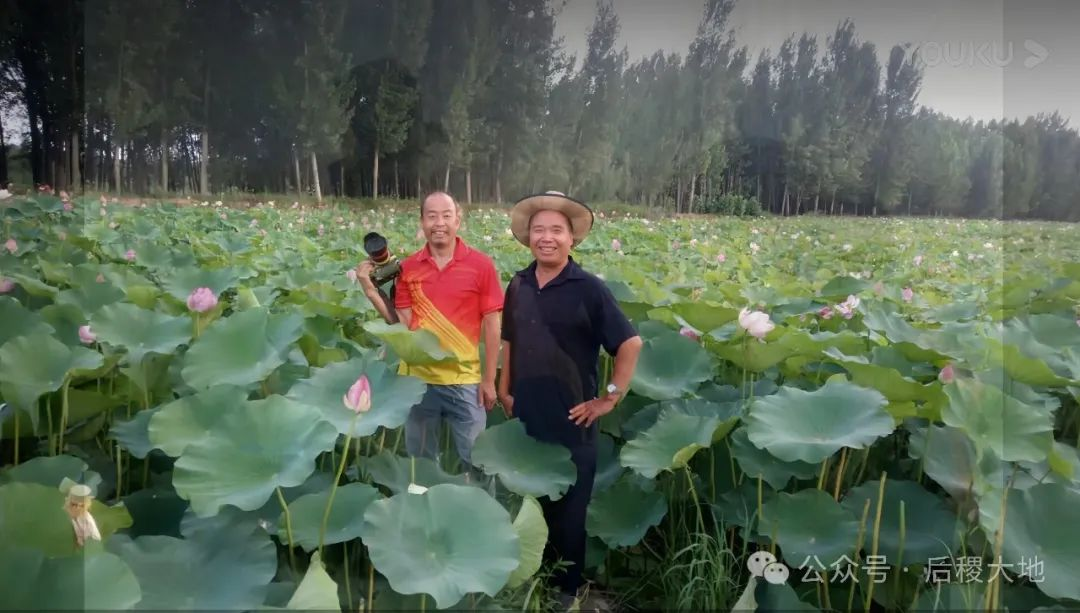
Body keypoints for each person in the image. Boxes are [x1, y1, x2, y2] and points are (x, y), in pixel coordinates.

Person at [497, 191, 643, 604]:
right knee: (531, 507)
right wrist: (505, 389)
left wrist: (609, 397)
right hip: (526, 414)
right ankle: (531, 583)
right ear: (528, 237)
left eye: (556, 230)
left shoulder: (589, 289)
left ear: (572, 238)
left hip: (574, 417)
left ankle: (566, 593)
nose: (547, 237)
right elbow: (510, 340)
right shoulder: (519, 283)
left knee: (569, 515)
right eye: (539, 229)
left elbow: (630, 344)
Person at [355, 191, 503, 472]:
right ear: (422, 222)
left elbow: (493, 323)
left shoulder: (481, 265)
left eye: (446, 215)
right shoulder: (408, 268)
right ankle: (423, 513)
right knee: (420, 466)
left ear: (458, 220)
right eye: (431, 216)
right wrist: (371, 290)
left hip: (465, 379)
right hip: (417, 383)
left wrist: (489, 379)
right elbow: (402, 325)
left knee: (478, 464)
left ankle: (477, 513)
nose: (439, 223)